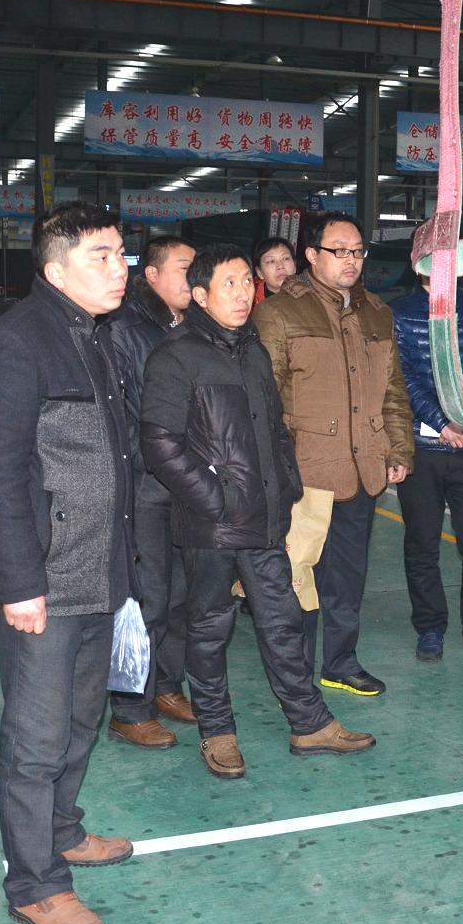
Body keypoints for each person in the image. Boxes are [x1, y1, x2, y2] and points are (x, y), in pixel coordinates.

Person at [0, 202, 138, 924]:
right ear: (55, 268)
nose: (119, 268)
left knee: (79, 720)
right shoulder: (17, 342)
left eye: (121, 253)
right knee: (35, 740)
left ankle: (62, 830)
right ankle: (34, 882)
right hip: (45, 580)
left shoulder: (97, 335)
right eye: (101, 255)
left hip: (98, 572)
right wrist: (18, 583)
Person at [142, 244, 374, 778]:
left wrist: (286, 490)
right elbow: (160, 445)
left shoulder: (253, 352)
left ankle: (309, 723)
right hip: (212, 527)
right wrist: (215, 501)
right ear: (200, 295)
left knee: (283, 620)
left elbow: (275, 431)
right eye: (230, 283)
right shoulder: (175, 357)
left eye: (248, 281)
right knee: (209, 630)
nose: (243, 292)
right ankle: (218, 732)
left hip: (264, 520)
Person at [256, 213, 414, 697]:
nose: (351, 260)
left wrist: (398, 446)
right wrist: (275, 469)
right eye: (339, 250)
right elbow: (264, 399)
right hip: (305, 473)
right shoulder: (280, 314)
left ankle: (341, 663)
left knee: (348, 578)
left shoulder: (377, 313)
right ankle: (296, 673)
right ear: (311, 255)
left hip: (363, 468)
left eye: (358, 251)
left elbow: (393, 391)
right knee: (297, 577)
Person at [105, 234, 197, 750]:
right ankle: (129, 708)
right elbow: (122, 414)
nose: (193, 276)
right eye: (183, 267)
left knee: (182, 596)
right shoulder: (125, 330)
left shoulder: (196, 327)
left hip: (188, 484)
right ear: (154, 275)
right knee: (146, 599)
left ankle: (165, 686)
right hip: (145, 483)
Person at [390, 274, 463, 663]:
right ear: (417, 260)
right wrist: (442, 422)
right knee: (422, 544)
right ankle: (429, 628)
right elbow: (402, 376)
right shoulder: (399, 313)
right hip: (422, 448)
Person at [253, 235, 297, 301]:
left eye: (286, 258)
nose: (280, 266)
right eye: (271, 261)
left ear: (295, 266)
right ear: (259, 273)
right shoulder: (249, 300)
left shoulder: (310, 296)